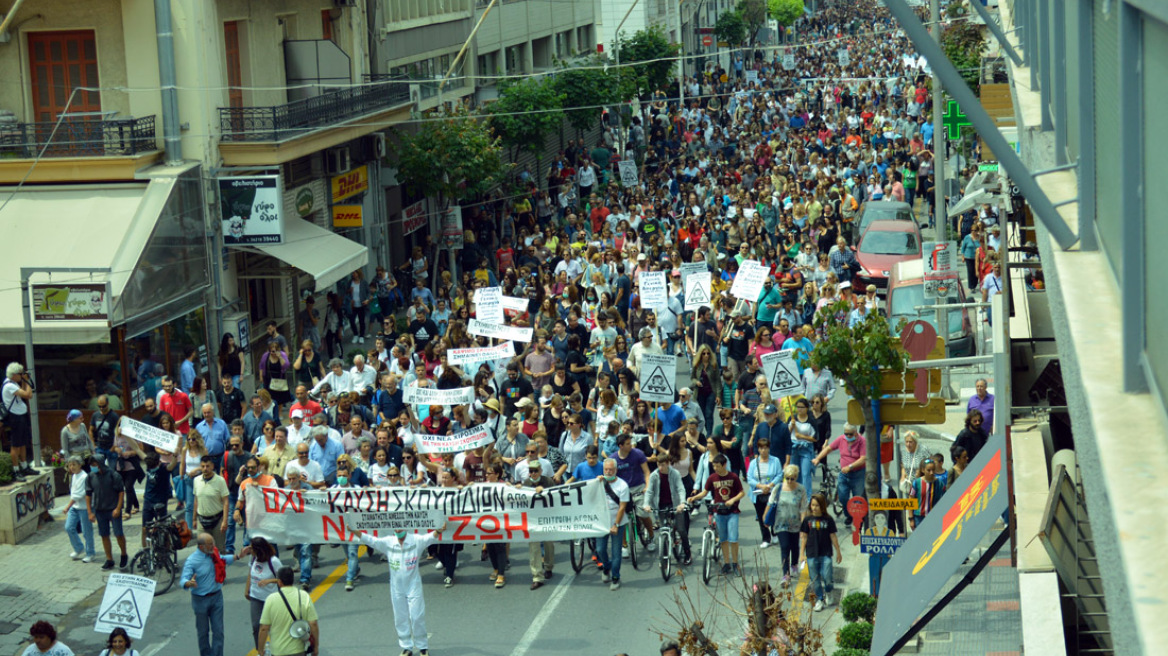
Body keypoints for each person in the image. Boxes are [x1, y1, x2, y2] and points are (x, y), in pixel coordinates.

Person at [358, 521, 448, 656]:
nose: (399, 531)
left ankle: (423, 646)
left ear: (406, 528)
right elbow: (371, 540)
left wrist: (439, 530)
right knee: (400, 618)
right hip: (396, 588)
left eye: (401, 528)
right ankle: (407, 647)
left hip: (413, 586)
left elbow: (430, 537)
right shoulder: (388, 542)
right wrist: (354, 531)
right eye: (397, 529)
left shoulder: (415, 540)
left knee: (417, 616)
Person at [687, 453, 746, 575]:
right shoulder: (712, 478)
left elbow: (741, 493)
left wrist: (732, 500)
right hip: (718, 512)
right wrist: (694, 498)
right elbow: (705, 492)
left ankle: (735, 563)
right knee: (723, 539)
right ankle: (726, 563)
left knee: (733, 539)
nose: (716, 469)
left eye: (718, 466)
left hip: (732, 512)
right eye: (714, 466)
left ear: (724, 465)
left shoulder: (733, 477)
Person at [181, 532, 238, 656]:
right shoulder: (192, 561)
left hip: (216, 597)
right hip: (200, 600)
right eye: (210, 544)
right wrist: (188, 583)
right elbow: (183, 579)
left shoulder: (214, 554)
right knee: (203, 632)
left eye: (213, 543)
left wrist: (238, 556)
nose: (214, 546)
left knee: (218, 631)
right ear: (201, 547)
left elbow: (223, 559)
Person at [811, 423, 867, 530]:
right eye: (846, 434)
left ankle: (858, 518)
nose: (848, 436)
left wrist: (850, 466)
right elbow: (829, 449)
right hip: (844, 474)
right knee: (842, 497)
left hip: (857, 474)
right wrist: (818, 458)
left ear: (856, 432)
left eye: (850, 434)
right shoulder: (842, 439)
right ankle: (848, 515)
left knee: (857, 498)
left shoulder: (862, 441)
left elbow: (863, 458)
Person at [258, 566, 319, 656]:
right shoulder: (303, 596)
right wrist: (316, 647)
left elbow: (264, 628)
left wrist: (260, 650)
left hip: (278, 651)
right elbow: (313, 624)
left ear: (279, 582)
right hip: (298, 650)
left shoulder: (271, 599)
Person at [645, 452, 690, 564]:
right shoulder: (654, 475)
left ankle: (687, 553)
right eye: (659, 465)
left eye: (663, 465)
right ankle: (663, 556)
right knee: (663, 530)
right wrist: (646, 504)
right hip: (661, 505)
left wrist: (682, 503)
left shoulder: (675, 474)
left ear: (668, 464)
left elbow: (680, 489)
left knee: (681, 529)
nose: (660, 467)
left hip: (675, 505)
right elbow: (649, 491)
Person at [765, 464, 806, 588]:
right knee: (785, 546)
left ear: (796, 477)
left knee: (794, 546)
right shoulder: (778, 488)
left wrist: (804, 526)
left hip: (795, 524)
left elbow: (803, 509)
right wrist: (765, 516)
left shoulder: (801, 490)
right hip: (781, 524)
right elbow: (770, 502)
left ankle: (794, 565)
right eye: (787, 478)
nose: (789, 481)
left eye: (792, 478)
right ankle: (786, 575)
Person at [519, 459, 558, 589]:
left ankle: (548, 566)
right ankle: (537, 576)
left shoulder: (548, 481)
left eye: (536, 471)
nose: (534, 473)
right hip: (532, 520)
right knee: (534, 548)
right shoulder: (526, 483)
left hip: (546, 518)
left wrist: (544, 492)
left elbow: (556, 498)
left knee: (548, 545)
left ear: (540, 471)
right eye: (531, 471)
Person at [800, 493, 842, 612]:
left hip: (826, 553)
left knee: (827, 577)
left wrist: (838, 551)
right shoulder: (807, 520)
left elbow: (833, 536)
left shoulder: (828, 520)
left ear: (822, 506)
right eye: (812, 505)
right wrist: (801, 554)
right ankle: (819, 599)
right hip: (812, 554)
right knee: (815, 579)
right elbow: (804, 537)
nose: (814, 508)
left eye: (817, 505)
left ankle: (828, 591)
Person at [86, 453, 128, 571]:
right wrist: (90, 512)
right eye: (91, 465)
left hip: (113, 509)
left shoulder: (113, 475)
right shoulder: (90, 477)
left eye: (95, 464)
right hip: (100, 510)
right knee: (104, 535)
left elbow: (121, 492)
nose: (93, 467)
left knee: (118, 533)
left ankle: (124, 554)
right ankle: (109, 559)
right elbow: (88, 494)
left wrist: (118, 508)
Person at [597, 457, 630, 591]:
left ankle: (615, 577)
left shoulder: (623, 485)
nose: (608, 472)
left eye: (611, 469)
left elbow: (622, 507)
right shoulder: (599, 482)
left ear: (616, 470)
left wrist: (616, 524)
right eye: (606, 469)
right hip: (602, 523)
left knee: (616, 553)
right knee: (600, 549)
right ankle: (606, 567)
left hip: (618, 523)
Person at [746, 437, 783, 549]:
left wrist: (770, 485)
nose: (763, 451)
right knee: (762, 515)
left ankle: (774, 532)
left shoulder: (775, 460)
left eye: (766, 448)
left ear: (769, 448)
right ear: (758, 449)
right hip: (758, 493)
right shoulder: (753, 463)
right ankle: (766, 538)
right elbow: (749, 477)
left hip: (772, 492)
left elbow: (779, 475)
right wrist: (761, 486)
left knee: (773, 513)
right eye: (761, 448)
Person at [62, 455, 96, 562]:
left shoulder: (84, 477)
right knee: (69, 527)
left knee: (87, 532)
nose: (71, 467)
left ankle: (90, 553)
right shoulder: (74, 476)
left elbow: (78, 495)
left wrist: (67, 507)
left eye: (74, 465)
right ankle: (78, 548)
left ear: (80, 465)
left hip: (84, 508)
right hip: (75, 507)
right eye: (70, 465)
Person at [193, 455, 230, 551]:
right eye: (203, 466)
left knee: (219, 550)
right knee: (202, 550)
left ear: (212, 466)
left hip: (217, 520)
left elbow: (226, 501)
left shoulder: (220, 481)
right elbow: (196, 500)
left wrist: (225, 521)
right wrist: (194, 519)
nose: (205, 469)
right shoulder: (196, 480)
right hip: (202, 520)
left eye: (207, 466)